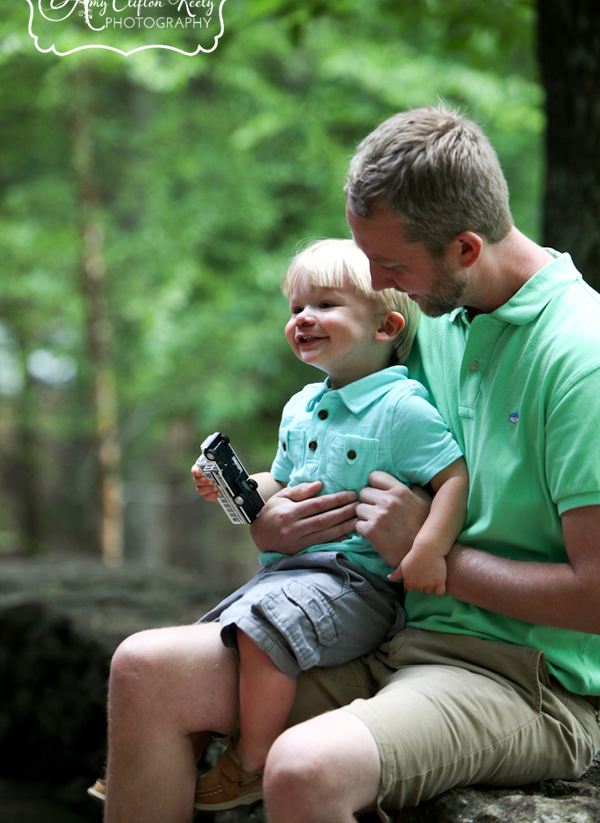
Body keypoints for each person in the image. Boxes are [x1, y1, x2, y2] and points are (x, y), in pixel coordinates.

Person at [100, 105, 600, 823]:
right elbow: (344, 442)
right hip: (391, 634)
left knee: (303, 768)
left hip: (522, 679)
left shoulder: (581, 356)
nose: (377, 281)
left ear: (465, 248)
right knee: (143, 671)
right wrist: (274, 518)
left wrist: (436, 559)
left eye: (391, 267)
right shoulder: (436, 316)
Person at [190, 238, 467, 811]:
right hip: (295, 574)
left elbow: (454, 479)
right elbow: (282, 483)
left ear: (386, 326)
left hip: (356, 585)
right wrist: (235, 486)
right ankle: (194, 755)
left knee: (260, 629)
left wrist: (430, 550)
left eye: (325, 305)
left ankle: (251, 762)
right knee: (210, 634)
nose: (303, 319)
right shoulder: (301, 407)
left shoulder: (401, 408)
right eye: (295, 309)